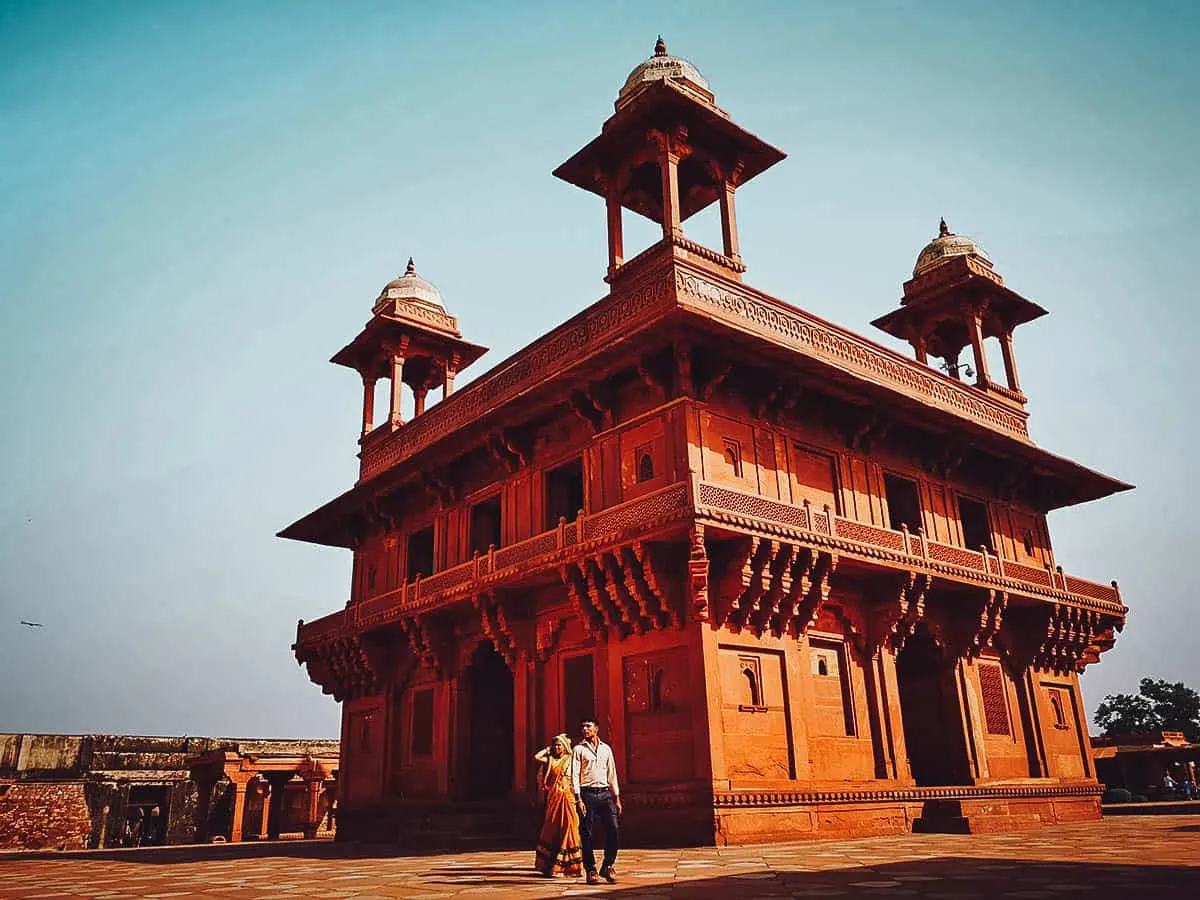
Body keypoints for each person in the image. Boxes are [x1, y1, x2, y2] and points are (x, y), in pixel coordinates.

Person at [571, 718, 622, 885]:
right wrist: (578, 798)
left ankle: (608, 865)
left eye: (588, 726)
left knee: (613, 828)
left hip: (606, 793)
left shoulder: (606, 749)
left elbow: (612, 773)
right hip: (587, 794)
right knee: (587, 832)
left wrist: (617, 797)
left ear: (596, 729)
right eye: (583, 727)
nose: (585, 729)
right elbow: (575, 775)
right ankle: (591, 869)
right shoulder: (578, 750)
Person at [532, 734, 582, 878]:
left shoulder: (571, 759)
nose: (557, 747)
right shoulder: (550, 760)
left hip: (568, 797)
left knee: (570, 828)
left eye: (560, 745)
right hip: (554, 798)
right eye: (555, 745)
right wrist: (548, 749)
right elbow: (536, 757)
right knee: (552, 828)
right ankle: (548, 864)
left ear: (565, 747)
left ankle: (571, 866)